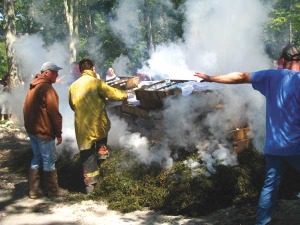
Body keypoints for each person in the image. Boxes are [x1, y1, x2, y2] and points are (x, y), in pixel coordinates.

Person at [194, 44, 300, 225]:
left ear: (282, 60)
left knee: (269, 187)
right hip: (296, 147)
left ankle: (262, 222)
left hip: (274, 147)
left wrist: (211, 78)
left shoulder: (270, 76)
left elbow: (240, 76)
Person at [68, 58, 128, 194]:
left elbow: (72, 106)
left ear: (82, 70)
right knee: (101, 142)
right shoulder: (97, 83)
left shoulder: (73, 86)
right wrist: (124, 95)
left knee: (87, 155)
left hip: (82, 128)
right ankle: (102, 159)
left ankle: (89, 186)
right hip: (98, 124)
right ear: (92, 68)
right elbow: (112, 94)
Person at [23, 62, 68, 199]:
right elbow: (54, 114)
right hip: (43, 130)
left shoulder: (33, 86)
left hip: (33, 130)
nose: (57, 75)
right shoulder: (47, 89)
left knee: (37, 157)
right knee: (49, 160)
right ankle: (52, 190)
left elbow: (26, 109)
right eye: (55, 72)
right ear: (46, 73)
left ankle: (34, 191)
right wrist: (59, 133)